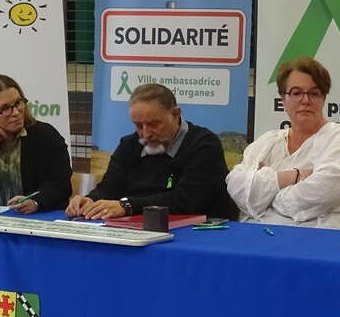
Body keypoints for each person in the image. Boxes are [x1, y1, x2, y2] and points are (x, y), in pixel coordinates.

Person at [226, 57, 340, 231]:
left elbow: (322, 194)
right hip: (263, 241)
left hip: (328, 242)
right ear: (283, 99)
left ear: (323, 98)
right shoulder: (267, 143)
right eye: (296, 93)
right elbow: (238, 187)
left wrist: (266, 199)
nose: (305, 100)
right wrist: (293, 176)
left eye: (314, 93)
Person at [66, 83, 231, 220]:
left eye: (153, 124)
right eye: (138, 126)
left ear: (175, 114)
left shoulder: (204, 145)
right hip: (137, 228)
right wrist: (90, 200)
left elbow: (186, 201)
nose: (146, 134)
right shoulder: (129, 145)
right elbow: (110, 188)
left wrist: (127, 206)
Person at [0, 74, 71, 211]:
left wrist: (35, 202)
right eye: (5, 108)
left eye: (18, 103)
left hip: (34, 218)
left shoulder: (46, 136)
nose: (16, 112)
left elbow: (61, 185)